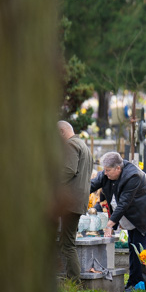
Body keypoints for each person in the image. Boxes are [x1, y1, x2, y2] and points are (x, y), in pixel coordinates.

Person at [92, 152, 146, 292]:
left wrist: (109, 225)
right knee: (132, 245)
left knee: (138, 246)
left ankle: (139, 282)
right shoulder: (106, 173)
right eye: (104, 170)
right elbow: (91, 185)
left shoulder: (133, 175)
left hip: (144, 211)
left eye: (108, 170)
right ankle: (133, 281)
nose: (105, 173)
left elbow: (124, 204)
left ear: (118, 168)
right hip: (132, 210)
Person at [57, 121, 93, 282]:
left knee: (68, 243)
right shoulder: (83, 145)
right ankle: (72, 279)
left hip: (69, 202)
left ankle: (74, 281)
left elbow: (68, 170)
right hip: (78, 201)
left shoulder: (70, 145)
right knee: (68, 240)